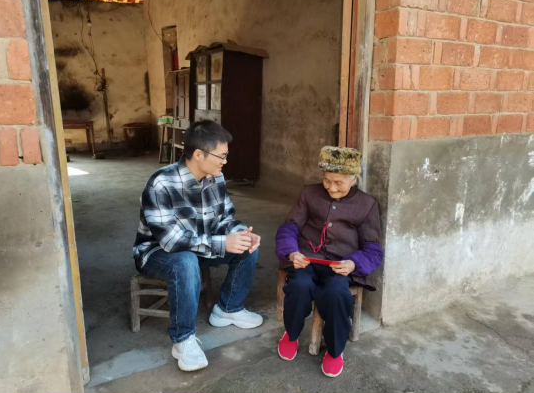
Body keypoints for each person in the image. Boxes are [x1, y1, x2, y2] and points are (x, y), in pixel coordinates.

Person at [133, 120, 263, 372]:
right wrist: (222, 242)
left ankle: (228, 308)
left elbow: (224, 218)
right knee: (185, 261)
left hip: (201, 246)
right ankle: (183, 339)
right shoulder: (162, 183)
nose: (225, 161)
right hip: (156, 253)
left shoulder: (216, 178)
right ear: (198, 154)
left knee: (247, 245)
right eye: (221, 156)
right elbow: (170, 241)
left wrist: (239, 234)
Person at [275, 146, 383, 378]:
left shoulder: (366, 205)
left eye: (339, 183)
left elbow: (373, 249)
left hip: (340, 267)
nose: (331, 187)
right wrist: (292, 252)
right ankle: (291, 334)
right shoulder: (309, 194)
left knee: (336, 294)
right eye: (327, 181)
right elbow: (290, 227)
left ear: (354, 179)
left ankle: (334, 350)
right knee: (299, 285)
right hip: (307, 259)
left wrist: (353, 264)